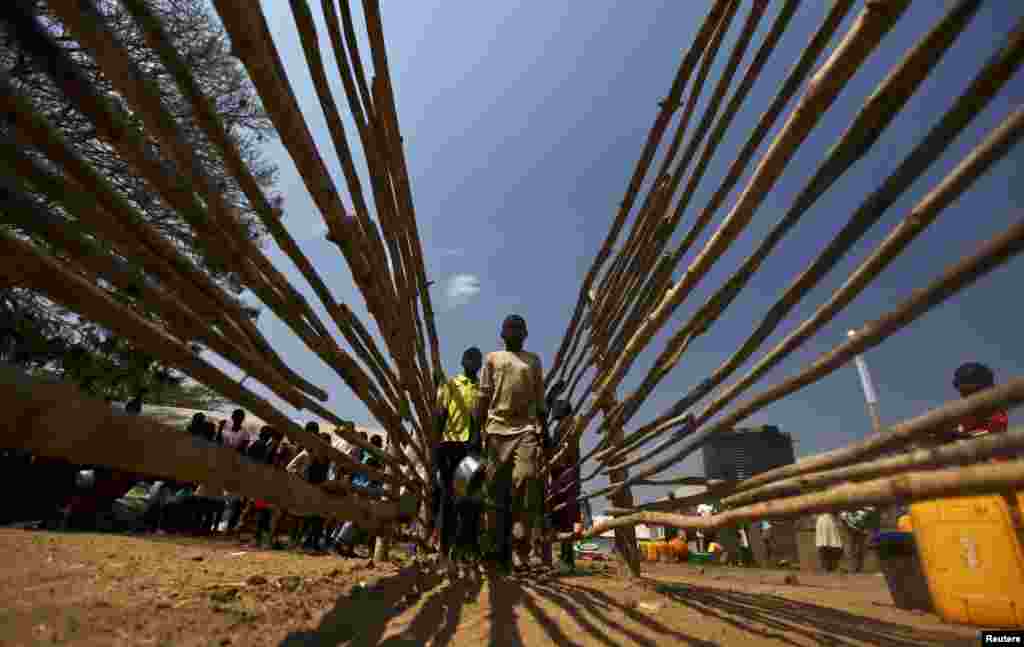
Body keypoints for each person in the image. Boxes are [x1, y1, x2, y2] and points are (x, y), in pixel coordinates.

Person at [475, 315, 549, 575]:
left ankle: (520, 549)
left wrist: (545, 431)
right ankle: (492, 550)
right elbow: (483, 396)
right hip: (496, 428)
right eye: (510, 327)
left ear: (526, 333)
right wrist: (477, 431)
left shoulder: (533, 361)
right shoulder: (492, 358)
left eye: (519, 328)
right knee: (493, 491)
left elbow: (540, 398)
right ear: (502, 333)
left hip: (526, 428)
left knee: (527, 478)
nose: (515, 331)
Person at [432, 347, 483, 576]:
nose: (473, 361)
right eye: (469, 357)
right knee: (448, 501)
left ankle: (462, 553)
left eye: (477, 359)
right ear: (462, 361)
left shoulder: (483, 390)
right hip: (450, 447)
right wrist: (435, 448)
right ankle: (443, 553)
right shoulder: (450, 385)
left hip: (471, 451)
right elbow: (441, 415)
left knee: (468, 501)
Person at [839, 506, 879, 573]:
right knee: (851, 549)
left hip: (859, 531)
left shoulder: (864, 511)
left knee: (858, 550)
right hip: (852, 531)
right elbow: (844, 521)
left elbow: (870, 519)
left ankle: (855, 568)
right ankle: (851, 568)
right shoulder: (846, 513)